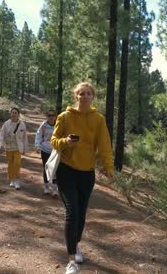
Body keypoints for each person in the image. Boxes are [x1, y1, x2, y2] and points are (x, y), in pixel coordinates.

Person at [50, 82, 114, 274]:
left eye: (88, 93)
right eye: (81, 93)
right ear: (76, 96)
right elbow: (53, 141)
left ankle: (76, 244)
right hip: (66, 170)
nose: (85, 96)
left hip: (87, 174)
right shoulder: (64, 117)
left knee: (82, 213)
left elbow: (104, 145)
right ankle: (71, 261)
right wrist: (66, 142)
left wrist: (109, 167)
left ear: (93, 97)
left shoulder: (98, 119)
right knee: (72, 211)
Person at [0, 107, 28, 190]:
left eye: (15, 113)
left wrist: (25, 149)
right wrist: (0, 144)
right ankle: (12, 179)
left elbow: (25, 137)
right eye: (12, 112)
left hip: (18, 148)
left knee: (17, 164)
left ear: (18, 114)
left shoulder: (22, 124)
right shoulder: (6, 124)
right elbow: (2, 135)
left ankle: (17, 180)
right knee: (10, 164)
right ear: (10, 114)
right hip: (9, 147)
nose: (14, 114)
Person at [34, 110, 58, 196]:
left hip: (55, 150)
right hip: (45, 150)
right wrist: (38, 146)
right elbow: (38, 135)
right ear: (47, 116)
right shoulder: (43, 126)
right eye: (49, 115)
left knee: (55, 168)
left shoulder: (58, 125)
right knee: (46, 167)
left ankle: (55, 189)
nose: (51, 117)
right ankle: (46, 187)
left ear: (56, 116)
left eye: (53, 115)